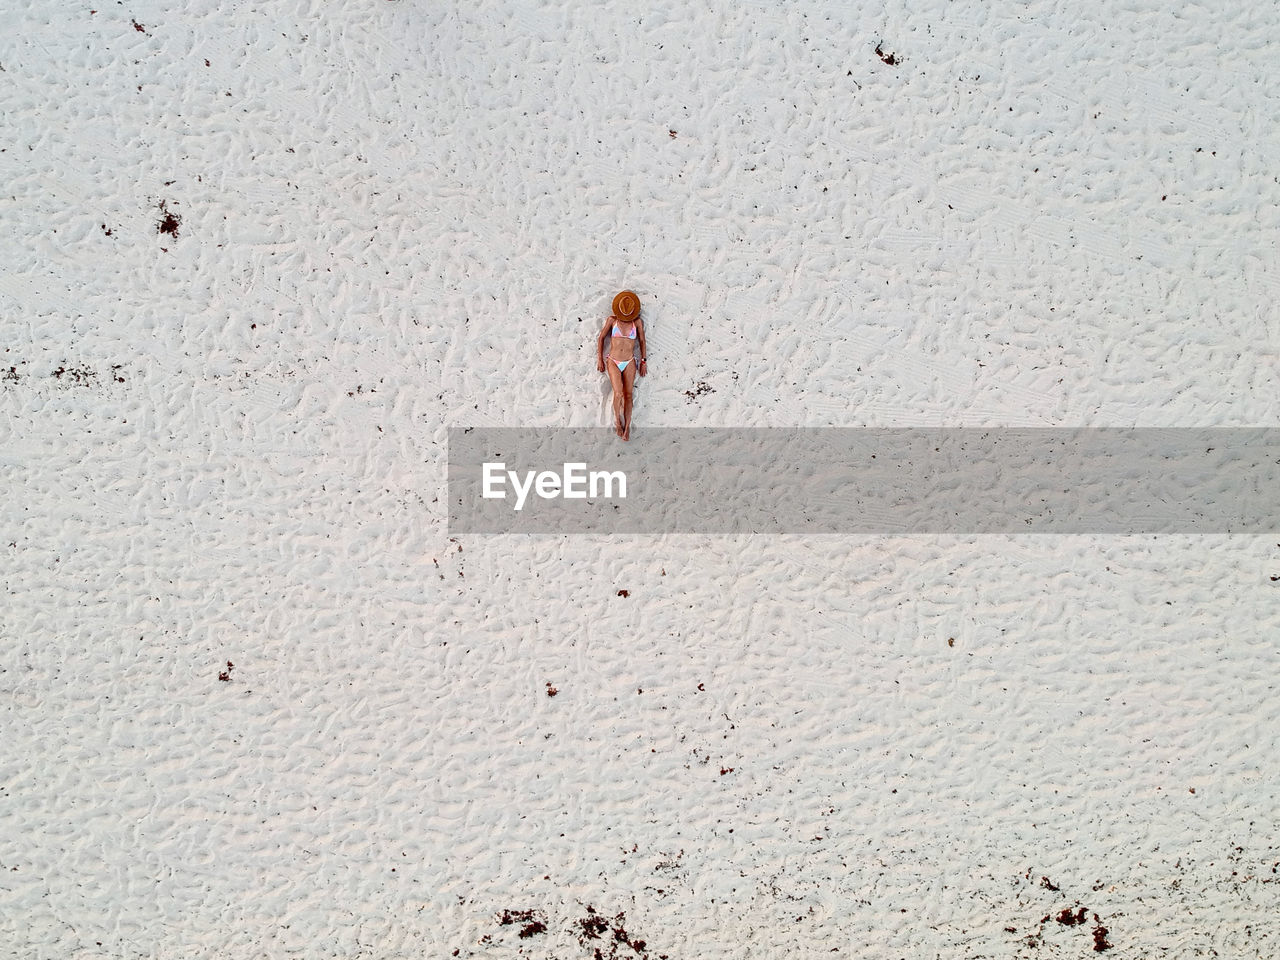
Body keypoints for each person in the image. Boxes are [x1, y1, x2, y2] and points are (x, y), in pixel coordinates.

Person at [596, 290, 647, 440]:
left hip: (630, 360)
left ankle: (628, 427)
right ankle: (618, 422)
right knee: (618, 393)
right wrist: (600, 359)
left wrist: (643, 361)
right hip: (613, 360)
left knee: (628, 395)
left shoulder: (636, 322)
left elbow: (642, 341)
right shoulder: (612, 320)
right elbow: (601, 338)